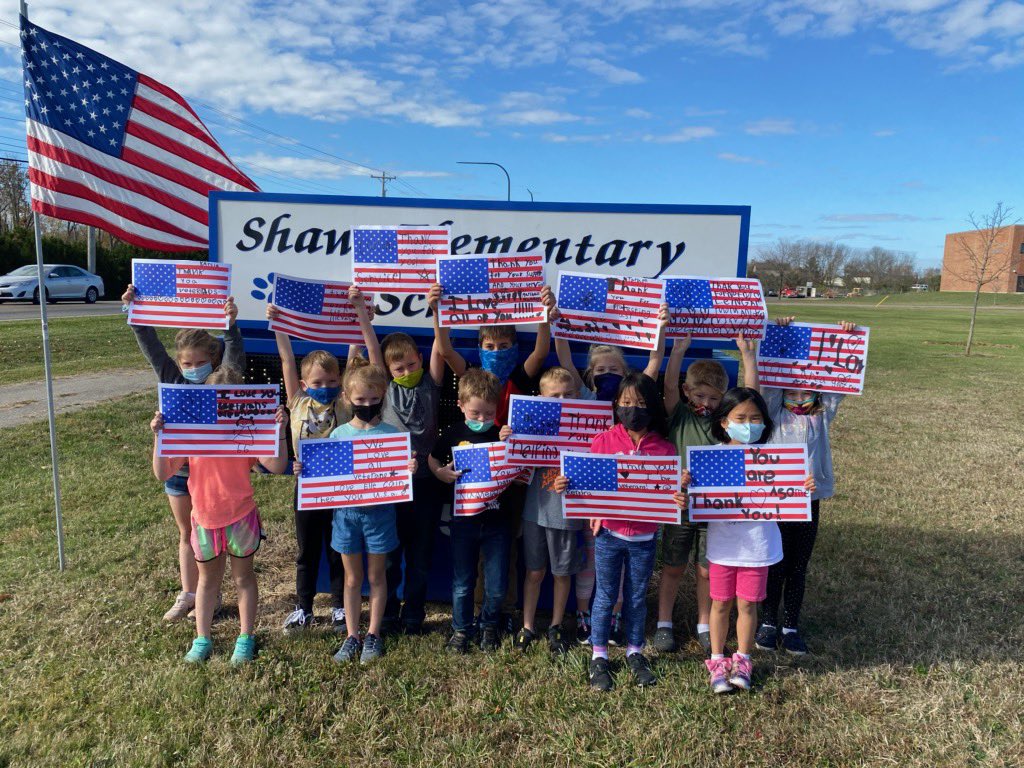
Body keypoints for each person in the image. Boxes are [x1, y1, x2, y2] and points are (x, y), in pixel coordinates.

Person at [431, 283, 555, 634]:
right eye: (490, 346)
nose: (496, 352)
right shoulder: (471, 376)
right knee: (472, 552)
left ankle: (503, 610)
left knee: (506, 547)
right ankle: (476, 612)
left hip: (510, 480)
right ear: (480, 348)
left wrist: (544, 314)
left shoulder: (519, 376)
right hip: (472, 479)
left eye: (503, 346)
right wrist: (438, 311)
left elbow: (542, 349)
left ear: (515, 348)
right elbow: (444, 348)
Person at [150, 365, 290, 665]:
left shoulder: (247, 432)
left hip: (241, 517)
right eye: (217, 402)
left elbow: (276, 466)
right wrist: (159, 437)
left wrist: (278, 431)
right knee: (206, 582)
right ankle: (202, 639)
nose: (222, 410)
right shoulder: (194, 434)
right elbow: (163, 472)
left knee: (243, 578)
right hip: (204, 518)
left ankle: (245, 637)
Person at [122, 283, 243, 623]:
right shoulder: (172, 379)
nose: (193, 367)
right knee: (187, 534)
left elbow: (235, 357)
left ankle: (211, 593)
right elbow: (153, 350)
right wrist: (136, 314)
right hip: (179, 472)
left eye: (200, 362)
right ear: (179, 363)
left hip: (215, 476)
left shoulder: (221, 379)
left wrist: (231, 327)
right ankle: (189, 593)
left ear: (213, 360)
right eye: (187, 363)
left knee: (216, 537)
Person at [682, 387, 815, 694]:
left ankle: (742, 659)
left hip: (758, 546)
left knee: (747, 605)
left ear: (765, 422)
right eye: (740, 417)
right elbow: (694, 503)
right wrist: (686, 490)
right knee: (720, 604)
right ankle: (717, 660)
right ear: (724, 422)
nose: (749, 423)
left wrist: (803, 485)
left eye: (756, 418)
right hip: (723, 547)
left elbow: (792, 493)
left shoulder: (774, 460)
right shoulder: (711, 459)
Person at [266, 286, 380, 635]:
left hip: (339, 486)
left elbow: (353, 354)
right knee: (306, 550)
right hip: (306, 485)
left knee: (337, 548)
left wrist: (356, 320)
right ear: (304, 383)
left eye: (332, 380)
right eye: (319, 381)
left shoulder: (344, 404)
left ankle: (337, 608)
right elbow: (286, 359)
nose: (326, 385)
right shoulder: (297, 401)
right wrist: (278, 324)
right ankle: (303, 607)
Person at [553, 307, 668, 646]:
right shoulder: (585, 395)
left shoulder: (633, 399)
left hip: (632, 506)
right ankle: (589, 618)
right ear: (589, 374)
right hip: (597, 503)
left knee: (623, 575)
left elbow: (653, 364)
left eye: (614, 370)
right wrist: (555, 321)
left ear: (626, 374)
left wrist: (658, 329)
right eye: (600, 370)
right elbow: (564, 360)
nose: (607, 374)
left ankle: (616, 618)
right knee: (593, 565)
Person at [553, 371, 675, 691]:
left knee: (635, 596)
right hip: (609, 534)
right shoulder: (603, 441)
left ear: (653, 406)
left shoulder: (665, 449)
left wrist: (678, 493)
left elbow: (667, 492)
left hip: (645, 538)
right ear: (616, 405)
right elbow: (589, 487)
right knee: (605, 595)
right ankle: (599, 654)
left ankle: (635, 651)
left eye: (640, 403)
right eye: (625, 403)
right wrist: (569, 485)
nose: (632, 409)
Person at [295, 355, 415, 665]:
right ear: (348, 397)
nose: (367, 403)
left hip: (380, 517)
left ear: (382, 397)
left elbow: (397, 476)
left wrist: (408, 468)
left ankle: (372, 634)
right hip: (346, 519)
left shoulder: (392, 436)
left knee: (377, 577)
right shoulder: (338, 435)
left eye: (374, 399)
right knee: (351, 579)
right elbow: (325, 479)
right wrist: (304, 470)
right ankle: (351, 635)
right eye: (361, 399)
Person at [755, 318, 856, 656]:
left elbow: (839, 380)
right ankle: (768, 622)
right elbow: (764, 380)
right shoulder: (772, 411)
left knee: (799, 564)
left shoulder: (821, 414)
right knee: (775, 562)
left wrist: (845, 338)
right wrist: (778, 334)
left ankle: (790, 624)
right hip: (776, 499)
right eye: (792, 390)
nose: (799, 396)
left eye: (806, 390)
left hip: (809, 499)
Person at [654, 332, 758, 655]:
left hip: (715, 511)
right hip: (680, 505)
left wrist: (747, 356)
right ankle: (664, 623)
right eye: (700, 396)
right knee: (672, 566)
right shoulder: (679, 415)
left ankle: (703, 623)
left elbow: (752, 396)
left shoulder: (725, 423)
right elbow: (668, 386)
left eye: (715, 399)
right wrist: (678, 350)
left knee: (706, 570)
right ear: (688, 392)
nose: (707, 404)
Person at [501, 367, 588, 656]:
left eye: (568, 395)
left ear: (578, 396)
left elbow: (595, 470)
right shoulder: (528, 424)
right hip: (534, 510)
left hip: (567, 514)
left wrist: (574, 477)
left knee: (562, 572)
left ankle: (556, 625)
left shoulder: (586, 429)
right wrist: (508, 439)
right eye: (555, 396)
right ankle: (527, 624)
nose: (562, 400)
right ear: (540, 397)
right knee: (534, 571)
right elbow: (511, 464)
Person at [428, 368, 512, 654]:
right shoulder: (453, 433)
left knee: (497, 584)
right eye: (475, 413)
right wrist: (441, 474)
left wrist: (510, 441)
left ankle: (489, 625)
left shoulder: (503, 434)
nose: (481, 420)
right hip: (464, 521)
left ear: (497, 408)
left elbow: (521, 462)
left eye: (488, 414)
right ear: (461, 405)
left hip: (498, 522)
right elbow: (433, 458)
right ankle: (461, 629)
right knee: (463, 582)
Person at [375, 328, 446, 636]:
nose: (406, 372)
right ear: (388, 371)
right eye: (398, 369)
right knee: (390, 556)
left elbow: (440, 345)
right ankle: (388, 613)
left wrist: (437, 311)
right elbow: (370, 345)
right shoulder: (386, 389)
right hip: (392, 486)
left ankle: (414, 614)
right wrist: (363, 315)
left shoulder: (431, 383)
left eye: (411, 364)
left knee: (420, 556)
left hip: (427, 484)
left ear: (420, 359)